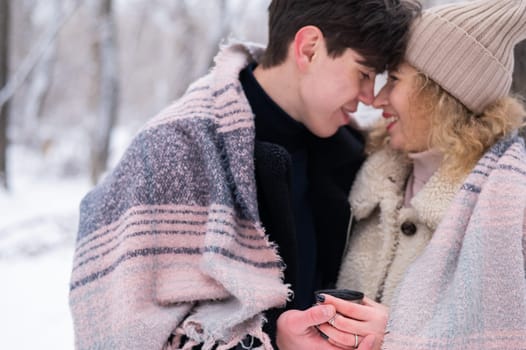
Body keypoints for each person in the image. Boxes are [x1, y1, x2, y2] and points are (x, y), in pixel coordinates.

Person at [68, 1, 421, 349]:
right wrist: (267, 340)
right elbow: (120, 333)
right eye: (363, 73)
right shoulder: (173, 150)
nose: (369, 98)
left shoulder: (355, 155)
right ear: (310, 49)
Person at [277, 0, 526, 349]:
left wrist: (398, 338)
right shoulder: (361, 169)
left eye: (393, 79)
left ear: (441, 93)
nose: (376, 99)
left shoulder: (511, 206)